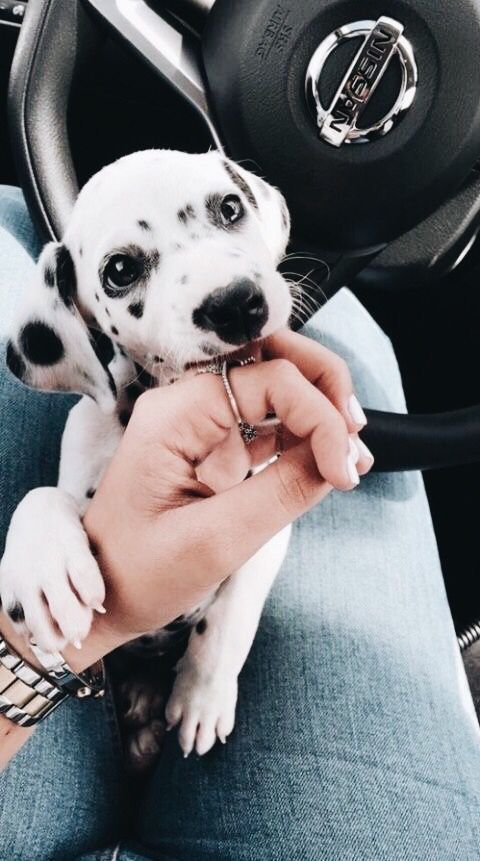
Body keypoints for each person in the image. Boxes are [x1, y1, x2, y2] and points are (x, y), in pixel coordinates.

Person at [0, 187, 478, 861]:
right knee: (355, 332)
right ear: (76, 321)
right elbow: (64, 511)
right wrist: (40, 519)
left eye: (227, 212)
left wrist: (212, 661)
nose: (225, 282)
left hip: (93, 668)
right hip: (87, 678)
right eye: (122, 270)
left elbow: (260, 538)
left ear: (264, 215)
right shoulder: (92, 428)